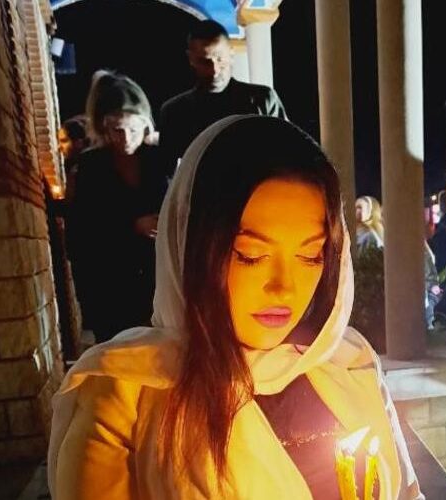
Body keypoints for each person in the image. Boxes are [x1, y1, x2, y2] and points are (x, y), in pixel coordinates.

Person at [48, 116, 423, 499]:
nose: (283, 287)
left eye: (310, 256)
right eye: (251, 256)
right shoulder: (127, 393)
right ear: (193, 247)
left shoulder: (348, 362)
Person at [67, 70, 168, 343]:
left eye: (133, 130)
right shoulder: (90, 167)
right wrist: (132, 226)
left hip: (158, 281)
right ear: (104, 127)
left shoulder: (160, 160)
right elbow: (80, 234)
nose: (126, 138)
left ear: (145, 125)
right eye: (117, 130)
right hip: (110, 284)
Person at [159, 20, 287, 171]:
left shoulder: (262, 100)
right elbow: (168, 171)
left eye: (220, 58)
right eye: (204, 61)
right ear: (191, 59)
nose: (214, 70)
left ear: (231, 53)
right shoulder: (175, 112)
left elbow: (287, 150)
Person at [57, 115, 90, 203]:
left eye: (64, 141)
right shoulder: (76, 168)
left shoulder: (81, 171)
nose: (59, 147)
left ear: (79, 142)